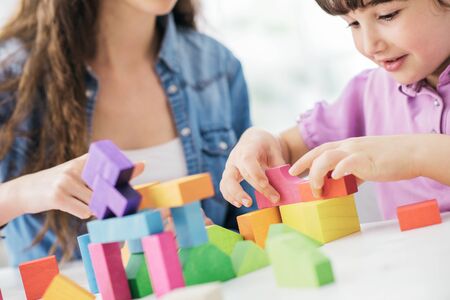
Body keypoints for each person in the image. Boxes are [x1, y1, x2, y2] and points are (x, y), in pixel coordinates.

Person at [0, 0, 254, 266]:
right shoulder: (10, 77)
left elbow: (248, 230)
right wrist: (21, 193)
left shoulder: (216, 66)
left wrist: (215, 238)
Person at [220, 0, 450, 219]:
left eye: (387, 16)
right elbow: (289, 149)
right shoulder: (369, 92)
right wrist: (263, 141)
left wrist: (416, 153)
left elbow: (417, 153)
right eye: (354, 24)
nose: (370, 45)